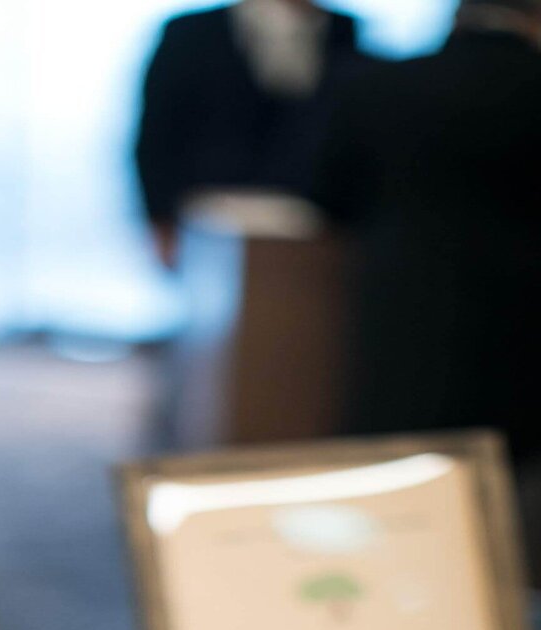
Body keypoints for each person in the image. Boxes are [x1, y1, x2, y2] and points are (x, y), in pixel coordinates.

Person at [311, 0, 541, 465]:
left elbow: (326, 194)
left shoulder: (377, 84)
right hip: (524, 312)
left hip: (402, 302)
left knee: (391, 456)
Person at [135, 1, 363, 269]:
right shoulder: (192, 32)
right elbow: (158, 132)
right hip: (213, 212)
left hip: (313, 219)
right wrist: (160, 219)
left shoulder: (342, 31)